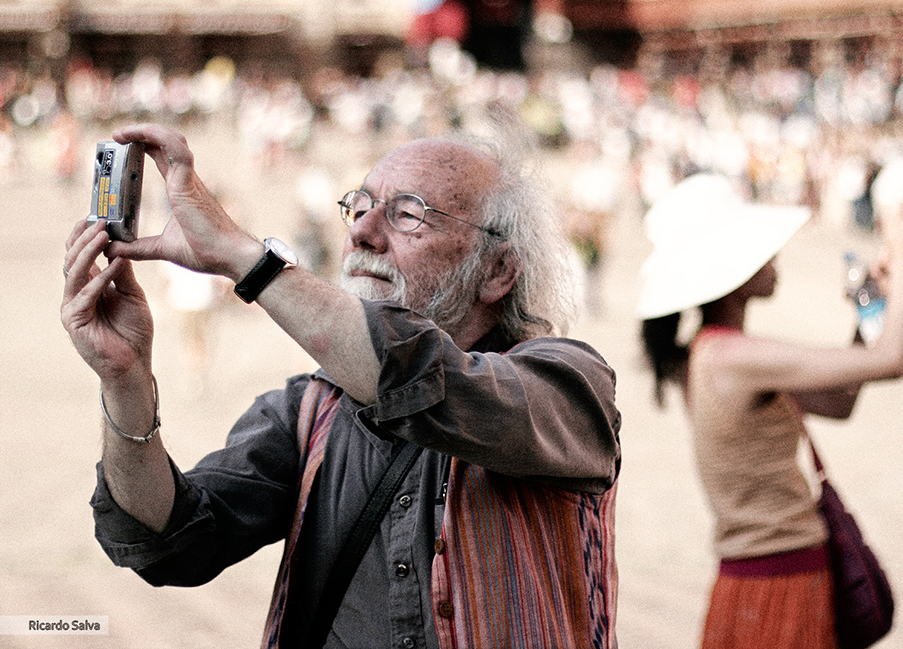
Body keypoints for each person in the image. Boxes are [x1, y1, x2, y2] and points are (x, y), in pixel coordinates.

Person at [61, 123, 621, 648]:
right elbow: (169, 540)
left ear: (499, 270)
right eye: (359, 205)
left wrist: (243, 255)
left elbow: (420, 375)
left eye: (407, 215)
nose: (361, 232)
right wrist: (126, 380)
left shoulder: (565, 382)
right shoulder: (308, 409)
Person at [636, 174, 903, 648]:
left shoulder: (707, 354)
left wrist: (868, 308)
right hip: (781, 578)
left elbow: (840, 401)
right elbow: (893, 361)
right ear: (732, 271)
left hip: (753, 579)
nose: (773, 258)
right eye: (760, 250)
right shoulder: (736, 358)